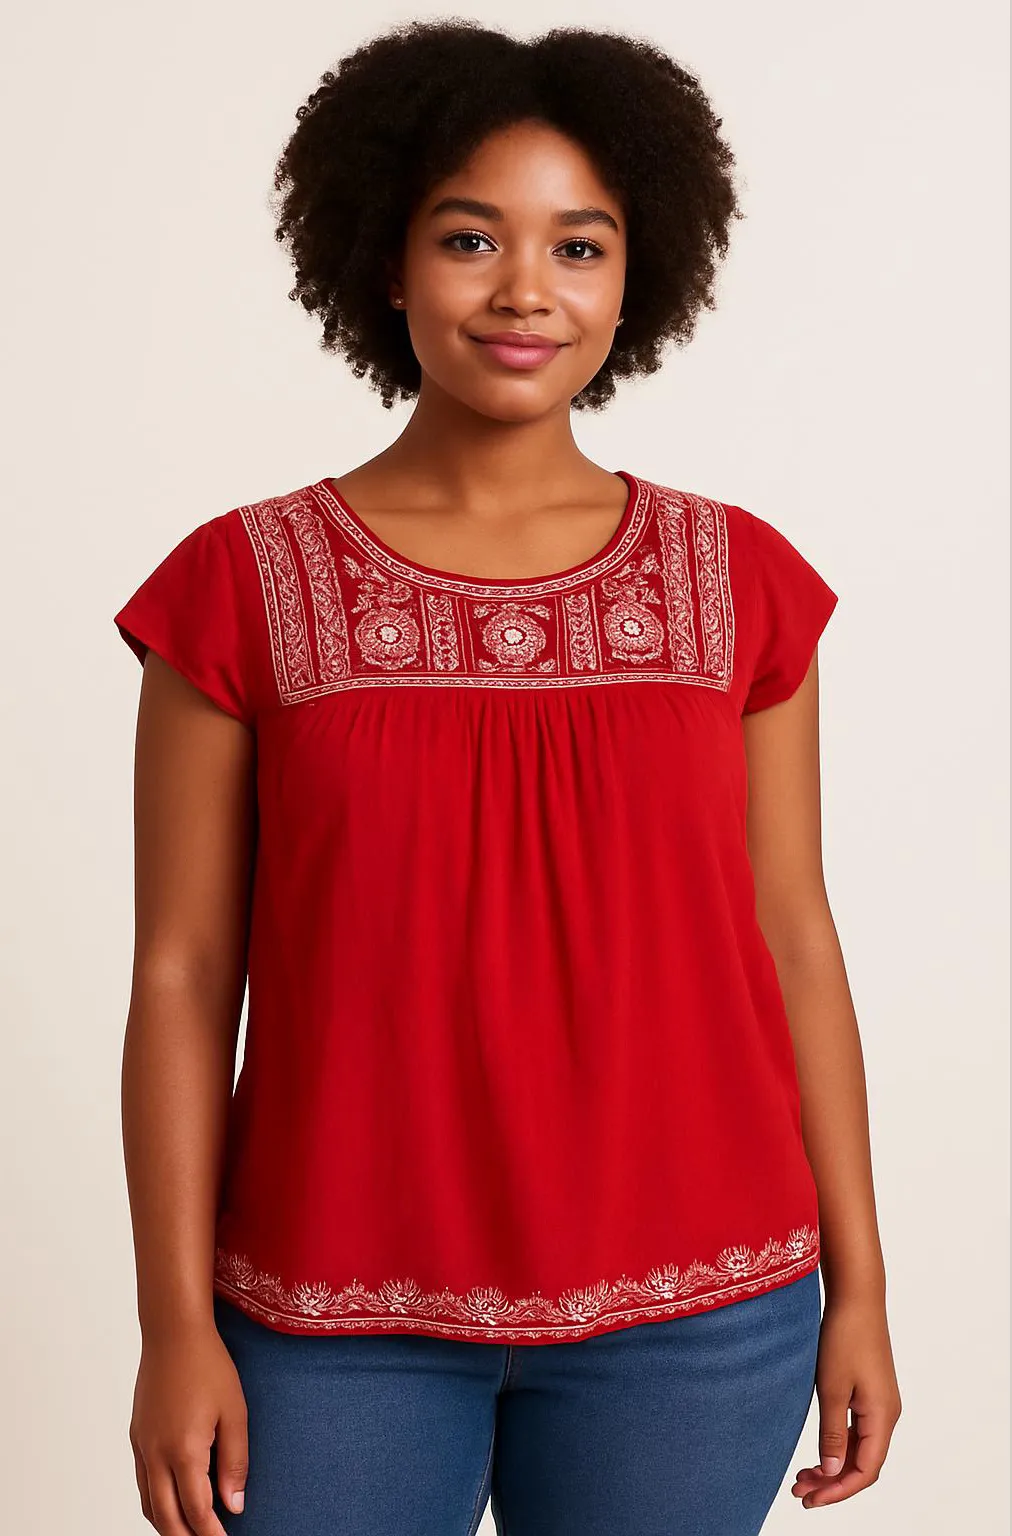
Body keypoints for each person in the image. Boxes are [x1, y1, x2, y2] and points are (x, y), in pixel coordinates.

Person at [114, 20, 901, 1536]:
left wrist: (861, 1286)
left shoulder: (737, 581)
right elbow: (183, 972)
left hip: (702, 1323)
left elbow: (794, 935)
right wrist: (172, 1325)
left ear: (639, 276)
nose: (527, 289)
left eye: (579, 246)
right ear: (387, 263)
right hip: (327, 1322)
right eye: (471, 237)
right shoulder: (240, 586)